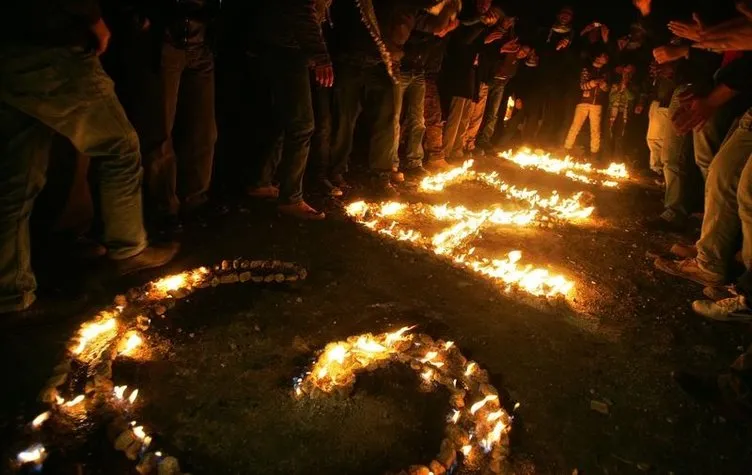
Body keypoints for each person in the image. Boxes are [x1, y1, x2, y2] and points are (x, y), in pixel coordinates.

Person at [0, 0, 179, 314]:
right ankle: (128, 248)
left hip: (11, 41)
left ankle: (10, 293)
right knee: (119, 145)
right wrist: (92, 17)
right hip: (53, 44)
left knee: (18, 176)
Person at [119, 0, 221, 230]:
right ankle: (164, 209)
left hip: (201, 41)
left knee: (203, 130)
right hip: (164, 40)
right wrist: (140, 18)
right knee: (160, 130)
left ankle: (195, 200)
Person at [249, 1, 333, 219]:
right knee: (302, 125)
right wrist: (320, 55)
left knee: (281, 120)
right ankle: (291, 199)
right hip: (287, 49)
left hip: (281, 47)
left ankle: (261, 182)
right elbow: (301, 10)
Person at [394, 1, 461, 178]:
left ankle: (414, 161)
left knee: (418, 120)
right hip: (403, 67)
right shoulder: (419, 12)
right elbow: (422, 31)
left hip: (421, 70)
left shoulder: (438, 18)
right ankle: (391, 167)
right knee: (394, 119)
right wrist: (441, 26)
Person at [440, 2, 501, 161]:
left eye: (488, 2)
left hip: (474, 72)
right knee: (456, 113)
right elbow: (463, 42)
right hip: (460, 71)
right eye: (481, 1)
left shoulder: (485, 24)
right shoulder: (466, 19)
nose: (484, 5)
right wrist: (482, 30)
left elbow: (485, 50)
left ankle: (457, 150)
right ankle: (446, 151)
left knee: (466, 115)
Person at [536, 5, 579, 146]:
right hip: (542, 75)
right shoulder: (546, 31)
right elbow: (540, 50)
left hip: (558, 80)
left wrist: (565, 48)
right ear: (558, 15)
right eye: (563, 13)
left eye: (569, 14)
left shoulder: (573, 35)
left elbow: (573, 61)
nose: (565, 16)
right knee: (534, 109)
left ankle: (543, 142)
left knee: (552, 112)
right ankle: (527, 139)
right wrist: (554, 48)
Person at [476, 43, 531, 152]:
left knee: (493, 113)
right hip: (489, 82)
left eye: (525, 53)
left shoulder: (516, 63)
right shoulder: (507, 54)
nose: (522, 54)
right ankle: (471, 139)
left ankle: (484, 140)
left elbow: (511, 76)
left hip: (500, 85)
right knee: (479, 111)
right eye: (522, 50)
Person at [563, 51, 610, 158]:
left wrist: (603, 85)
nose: (606, 58)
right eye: (604, 56)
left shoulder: (606, 72)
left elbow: (607, 89)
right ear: (597, 57)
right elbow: (582, 86)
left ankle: (594, 153)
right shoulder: (587, 69)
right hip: (583, 102)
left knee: (595, 129)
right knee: (575, 126)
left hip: (597, 104)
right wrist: (593, 83)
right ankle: (567, 148)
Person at [605, 64, 637, 160]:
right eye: (626, 72)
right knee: (608, 135)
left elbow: (631, 97)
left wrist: (625, 88)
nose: (627, 74)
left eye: (629, 73)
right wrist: (620, 90)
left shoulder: (633, 86)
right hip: (612, 113)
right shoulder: (615, 85)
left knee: (620, 137)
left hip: (624, 115)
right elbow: (611, 98)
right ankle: (606, 159)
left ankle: (617, 161)